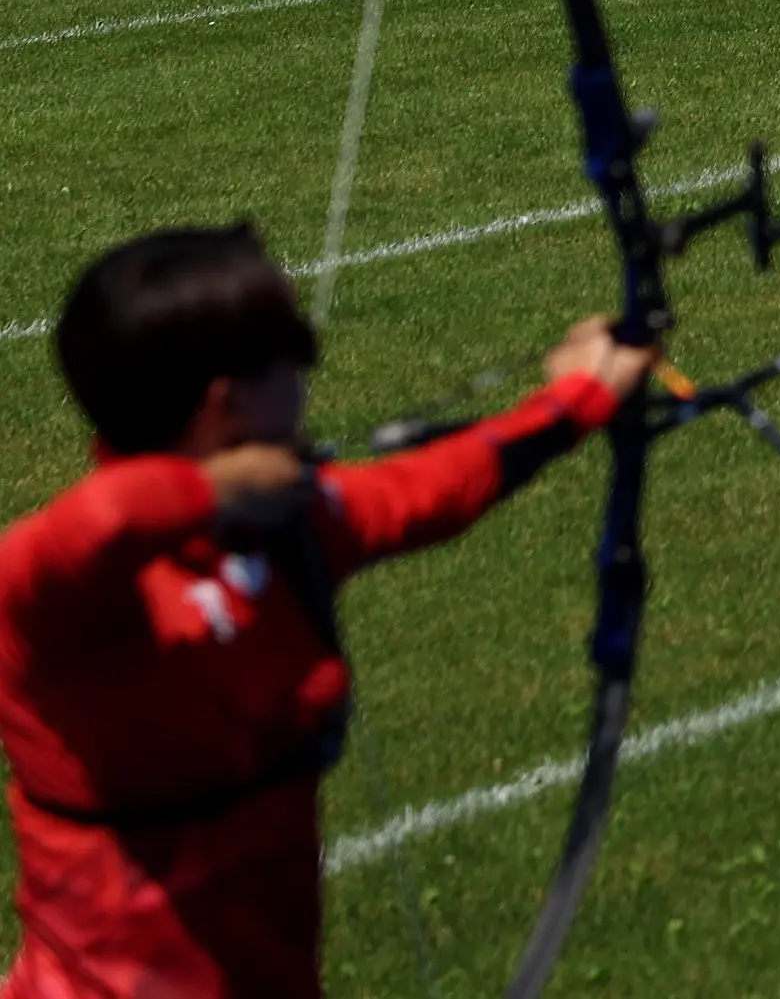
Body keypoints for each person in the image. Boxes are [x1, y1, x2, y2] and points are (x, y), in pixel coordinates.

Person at [0, 225, 654, 998]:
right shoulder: (63, 599)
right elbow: (96, 524)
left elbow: (430, 487)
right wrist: (218, 488)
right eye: (295, 352)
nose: (309, 377)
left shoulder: (282, 526)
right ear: (225, 400)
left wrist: (576, 398)